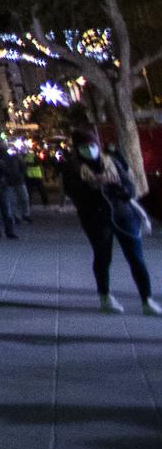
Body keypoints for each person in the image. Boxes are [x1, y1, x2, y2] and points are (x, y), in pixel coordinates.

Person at [62, 132, 158, 314]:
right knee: (103, 257)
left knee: (136, 257)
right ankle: (105, 297)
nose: (90, 150)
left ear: (98, 145)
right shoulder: (72, 168)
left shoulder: (111, 162)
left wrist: (120, 189)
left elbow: (130, 187)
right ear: (77, 149)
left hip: (124, 215)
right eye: (84, 147)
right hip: (96, 219)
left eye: (92, 145)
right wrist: (94, 186)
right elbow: (74, 192)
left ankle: (147, 300)